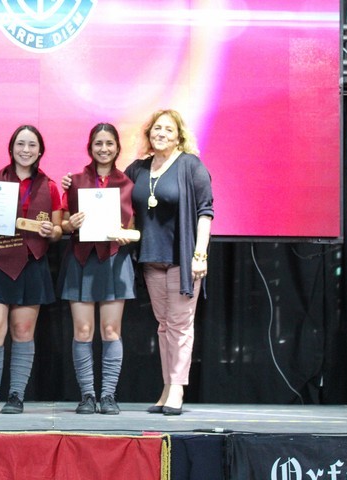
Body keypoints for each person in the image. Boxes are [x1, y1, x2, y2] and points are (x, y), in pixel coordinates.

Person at [0, 125, 62, 414]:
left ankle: (16, 395)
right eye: (20, 144)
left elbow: (57, 230)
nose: (25, 150)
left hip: (31, 261)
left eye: (32, 145)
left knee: (23, 330)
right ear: (11, 148)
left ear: (40, 151)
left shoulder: (49, 186)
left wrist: (52, 230)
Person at [124, 109, 213, 416]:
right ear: (149, 134)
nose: (161, 133)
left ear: (179, 136)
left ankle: (177, 388)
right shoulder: (138, 168)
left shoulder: (190, 165)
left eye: (168, 129)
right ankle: (167, 386)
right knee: (164, 327)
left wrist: (199, 255)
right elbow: (112, 194)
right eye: (156, 128)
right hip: (151, 259)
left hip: (182, 260)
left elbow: (205, 212)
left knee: (180, 325)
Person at [57, 123, 136, 415]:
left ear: (117, 147)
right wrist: (70, 224)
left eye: (109, 143)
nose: (104, 149)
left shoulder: (128, 184)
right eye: (98, 143)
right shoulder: (74, 181)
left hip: (115, 260)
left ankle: (109, 395)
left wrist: (125, 234)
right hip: (81, 258)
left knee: (111, 330)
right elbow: (63, 222)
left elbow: (134, 226)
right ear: (90, 147)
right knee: (83, 330)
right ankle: (88, 395)